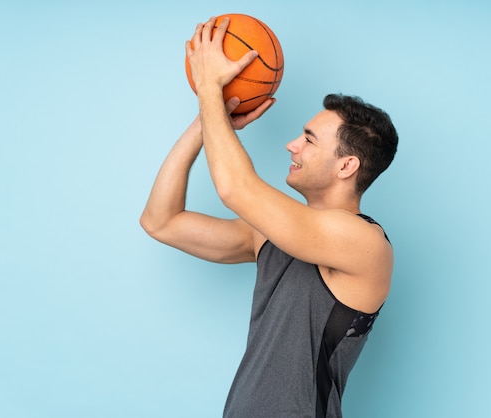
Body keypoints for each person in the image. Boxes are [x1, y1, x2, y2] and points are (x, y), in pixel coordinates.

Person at [140, 16, 399, 418]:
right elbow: (161, 220)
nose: (292, 145)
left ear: (346, 166)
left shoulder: (364, 244)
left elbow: (235, 189)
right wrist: (206, 122)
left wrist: (210, 88)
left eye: (309, 140)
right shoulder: (271, 236)